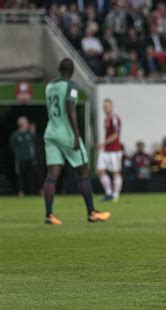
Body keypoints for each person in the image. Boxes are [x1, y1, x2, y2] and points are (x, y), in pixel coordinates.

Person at [43, 58, 111, 225]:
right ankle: (91, 212)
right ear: (72, 71)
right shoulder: (71, 86)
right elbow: (70, 106)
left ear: (59, 69)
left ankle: (49, 215)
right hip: (66, 133)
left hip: (50, 131)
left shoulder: (49, 87)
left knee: (52, 175)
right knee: (83, 171)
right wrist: (75, 134)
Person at [96, 98, 123, 202]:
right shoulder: (106, 119)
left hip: (114, 150)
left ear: (111, 107)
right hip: (105, 150)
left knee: (115, 172)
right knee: (100, 171)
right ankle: (108, 193)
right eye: (104, 106)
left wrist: (103, 143)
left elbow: (116, 135)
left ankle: (115, 195)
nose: (106, 108)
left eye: (107, 106)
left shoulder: (115, 118)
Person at [9, 116, 37, 196]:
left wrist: (33, 132)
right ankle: (21, 191)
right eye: (25, 123)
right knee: (21, 176)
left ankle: (31, 192)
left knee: (31, 176)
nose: (27, 124)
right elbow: (12, 146)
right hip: (20, 159)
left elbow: (35, 143)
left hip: (30, 159)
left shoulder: (29, 134)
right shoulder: (15, 135)